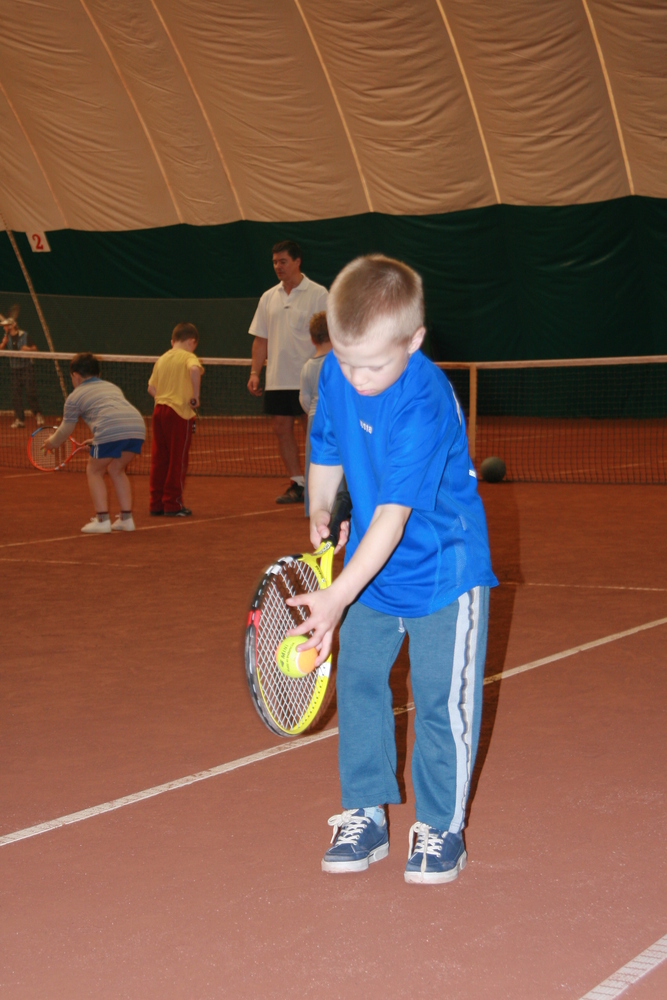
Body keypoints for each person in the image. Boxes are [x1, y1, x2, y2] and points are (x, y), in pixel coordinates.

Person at [287, 255, 498, 884]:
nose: (357, 377)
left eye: (374, 365)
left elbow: (392, 517)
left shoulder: (423, 399)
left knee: (439, 700)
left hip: (443, 572)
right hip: (369, 569)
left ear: (415, 340)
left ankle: (440, 827)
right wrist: (319, 506)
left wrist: (335, 597)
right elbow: (327, 446)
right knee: (357, 682)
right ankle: (365, 813)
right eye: (347, 361)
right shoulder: (337, 372)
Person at [247, 240, 328, 504]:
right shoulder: (268, 297)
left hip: (309, 377)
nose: (278, 266)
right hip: (277, 379)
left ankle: (320, 483)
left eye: (283, 261)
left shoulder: (318, 294)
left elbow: (329, 334)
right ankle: (298, 483)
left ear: (297, 261)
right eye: (274, 262)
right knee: (281, 429)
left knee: (312, 429)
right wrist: (255, 372)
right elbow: (261, 339)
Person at [44, 353, 145, 534]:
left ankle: (102, 520)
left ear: (75, 376)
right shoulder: (112, 387)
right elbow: (115, 414)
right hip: (137, 427)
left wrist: (52, 442)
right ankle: (126, 520)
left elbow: (66, 429)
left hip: (110, 430)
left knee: (94, 470)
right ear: (98, 374)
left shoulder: (74, 397)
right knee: (117, 469)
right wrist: (94, 441)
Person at [147, 322, 203, 517]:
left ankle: (156, 504)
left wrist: (164, 397)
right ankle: (172, 504)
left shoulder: (162, 359)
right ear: (191, 342)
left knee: (159, 458)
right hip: (179, 413)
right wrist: (195, 396)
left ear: (173, 341)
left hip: (159, 411)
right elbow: (194, 370)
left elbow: (151, 388)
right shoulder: (189, 357)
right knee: (177, 460)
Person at [299, 311, 332, 517]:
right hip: (336, 418)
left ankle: (313, 508)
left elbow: (304, 398)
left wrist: (313, 412)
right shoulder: (338, 363)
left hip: (314, 418)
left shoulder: (307, 367)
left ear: (312, 339)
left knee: (314, 461)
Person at [0, 315, 44, 428]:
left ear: (12, 326)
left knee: (30, 392)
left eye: (5, 326)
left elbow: (35, 349)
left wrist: (28, 349)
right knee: (16, 395)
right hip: (14, 370)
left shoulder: (24, 335)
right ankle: (20, 419)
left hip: (27, 368)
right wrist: (4, 343)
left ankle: (38, 414)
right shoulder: (6, 338)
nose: (4, 328)